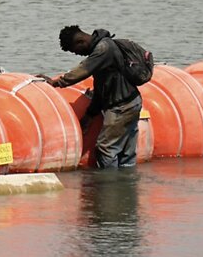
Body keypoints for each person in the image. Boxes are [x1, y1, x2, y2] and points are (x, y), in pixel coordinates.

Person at [37, 25, 142, 169]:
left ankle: (109, 186)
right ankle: (125, 186)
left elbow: (83, 70)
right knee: (126, 153)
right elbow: (101, 90)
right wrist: (90, 115)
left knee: (105, 149)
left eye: (75, 51)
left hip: (121, 107)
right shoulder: (105, 48)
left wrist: (56, 82)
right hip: (131, 102)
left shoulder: (103, 50)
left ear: (81, 42)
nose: (78, 55)